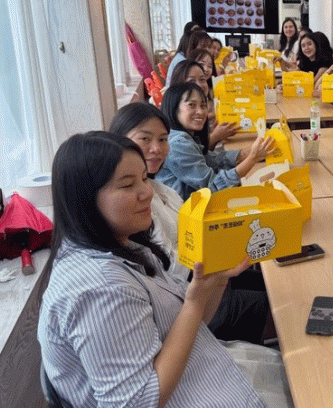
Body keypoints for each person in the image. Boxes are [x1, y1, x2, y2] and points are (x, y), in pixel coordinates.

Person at [38, 131, 292, 407]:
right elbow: (138, 403)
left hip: (208, 370)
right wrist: (194, 302)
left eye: (144, 178)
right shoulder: (100, 288)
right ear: (84, 199)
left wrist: (214, 282)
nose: (147, 192)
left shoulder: (125, 246)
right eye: (127, 185)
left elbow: (193, 326)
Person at [109, 103, 271, 345]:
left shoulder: (159, 188)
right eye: (145, 139)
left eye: (163, 139)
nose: (156, 148)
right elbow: (168, 265)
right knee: (277, 305)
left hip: (204, 277)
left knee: (270, 283)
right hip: (187, 299)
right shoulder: (134, 205)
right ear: (120, 141)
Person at [156, 83, 273, 200]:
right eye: (191, 105)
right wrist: (252, 159)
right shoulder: (178, 144)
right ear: (174, 108)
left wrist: (254, 150)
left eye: (203, 106)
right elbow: (212, 187)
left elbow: (215, 161)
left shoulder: (186, 136)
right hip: (189, 209)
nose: (200, 111)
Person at [168, 59, 237, 150]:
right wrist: (215, 136)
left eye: (202, 79)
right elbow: (196, 151)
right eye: (191, 81)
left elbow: (206, 154)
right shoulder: (178, 140)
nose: (199, 85)